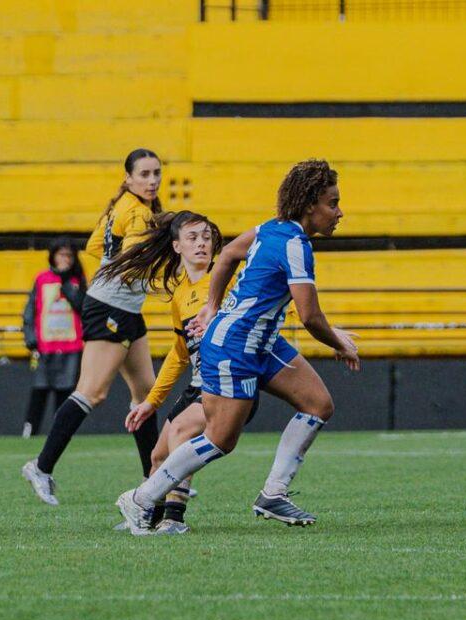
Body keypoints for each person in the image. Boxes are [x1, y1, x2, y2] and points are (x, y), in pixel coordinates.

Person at [116, 159, 359, 535]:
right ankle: (141, 498)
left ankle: (273, 493)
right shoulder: (295, 245)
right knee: (219, 439)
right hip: (235, 347)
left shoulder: (269, 229)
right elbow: (310, 316)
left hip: (262, 344)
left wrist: (212, 305)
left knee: (318, 404)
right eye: (333, 203)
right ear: (310, 204)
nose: (339, 212)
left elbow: (228, 254)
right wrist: (339, 343)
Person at [20, 149, 164, 505]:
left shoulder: (124, 206)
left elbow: (95, 245)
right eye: (144, 174)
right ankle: (41, 466)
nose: (152, 181)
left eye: (156, 173)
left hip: (124, 308)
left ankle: (153, 480)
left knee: (145, 394)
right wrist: (163, 277)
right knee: (92, 392)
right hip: (110, 308)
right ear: (128, 178)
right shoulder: (138, 213)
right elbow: (132, 264)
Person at [113, 210, 243, 534]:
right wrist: (151, 402)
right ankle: (149, 516)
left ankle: (174, 518)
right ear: (176, 246)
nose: (202, 243)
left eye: (206, 237)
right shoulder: (181, 295)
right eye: (193, 238)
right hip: (199, 384)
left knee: (182, 433)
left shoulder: (228, 281)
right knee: (158, 456)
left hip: (228, 382)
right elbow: (180, 353)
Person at [20, 238, 87, 438]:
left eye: (69, 255)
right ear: (53, 256)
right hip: (45, 346)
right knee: (39, 390)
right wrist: (30, 337)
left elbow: (81, 306)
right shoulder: (42, 279)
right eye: (61, 254)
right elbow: (30, 310)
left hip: (71, 346)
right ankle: (29, 431)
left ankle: (60, 433)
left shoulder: (77, 281)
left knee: (65, 393)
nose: (65, 259)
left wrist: (65, 281)